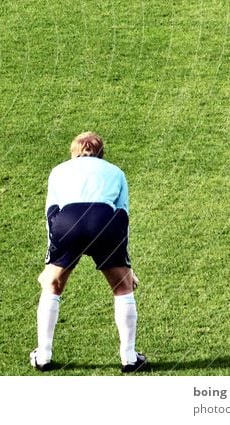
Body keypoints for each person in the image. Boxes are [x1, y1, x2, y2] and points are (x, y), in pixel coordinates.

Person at [29, 131, 149, 373]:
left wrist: (50, 261)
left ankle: (43, 355)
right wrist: (126, 265)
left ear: (73, 152)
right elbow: (123, 214)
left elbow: (51, 214)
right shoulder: (115, 171)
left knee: (52, 285)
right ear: (101, 154)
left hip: (67, 223)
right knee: (123, 287)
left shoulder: (59, 171)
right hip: (104, 222)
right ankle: (129, 358)